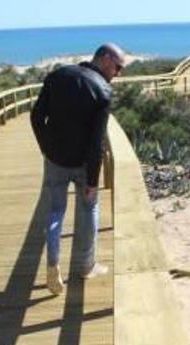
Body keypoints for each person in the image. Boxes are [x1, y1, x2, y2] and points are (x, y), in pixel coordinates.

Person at [30, 43, 125, 295]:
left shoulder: (57, 76)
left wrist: (46, 148)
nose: (118, 73)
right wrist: (93, 180)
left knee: (55, 211)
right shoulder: (103, 91)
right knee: (89, 208)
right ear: (105, 59)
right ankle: (85, 265)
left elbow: (36, 117)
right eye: (118, 67)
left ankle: (52, 262)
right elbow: (96, 143)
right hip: (83, 164)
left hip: (55, 160)